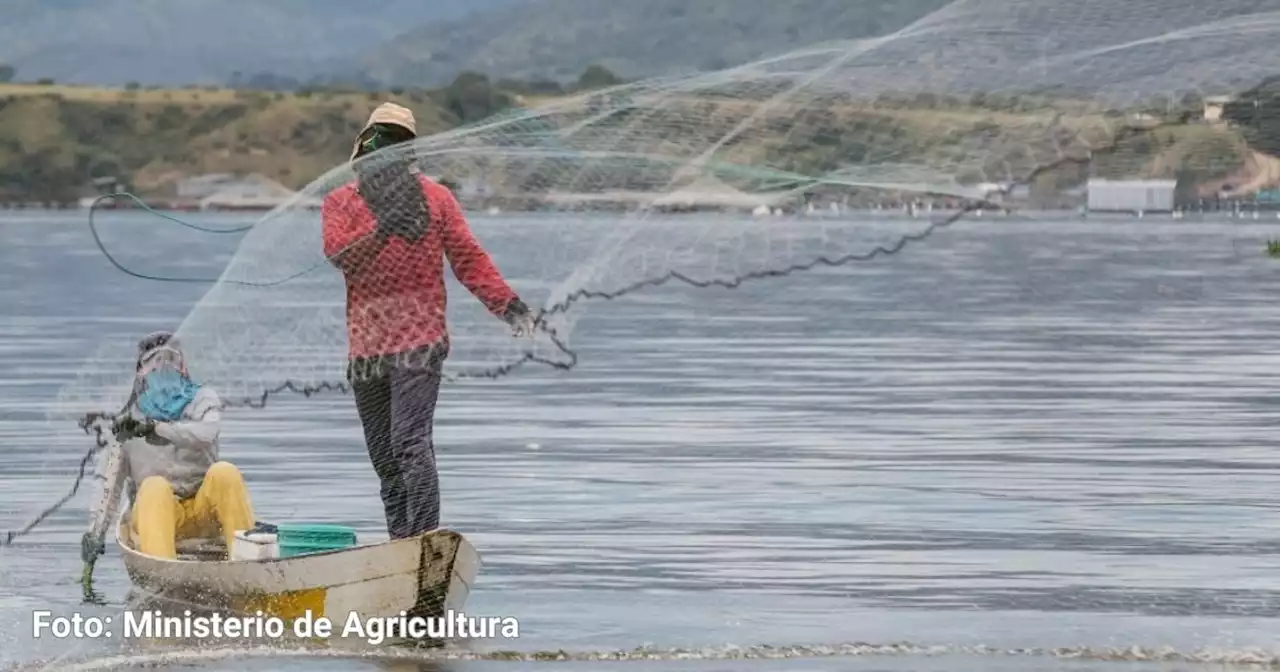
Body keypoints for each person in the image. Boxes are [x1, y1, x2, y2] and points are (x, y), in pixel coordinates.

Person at [321, 102, 535, 540]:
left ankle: (424, 541)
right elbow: (339, 256)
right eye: (380, 139)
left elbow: (469, 260)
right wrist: (381, 229)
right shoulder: (341, 201)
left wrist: (507, 305)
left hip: (421, 340)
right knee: (384, 456)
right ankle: (400, 545)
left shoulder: (436, 199)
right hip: (366, 348)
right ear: (364, 146)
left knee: (410, 443)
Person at [81, 331, 255, 563]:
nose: (164, 369)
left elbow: (207, 433)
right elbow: (108, 483)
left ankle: (248, 561)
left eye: (172, 360)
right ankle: (165, 569)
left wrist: (156, 428)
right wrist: (96, 532)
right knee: (154, 487)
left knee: (225, 472)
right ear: (141, 373)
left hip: (203, 514)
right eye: (156, 363)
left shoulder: (203, 399)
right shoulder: (126, 419)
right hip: (154, 517)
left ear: (183, 367)